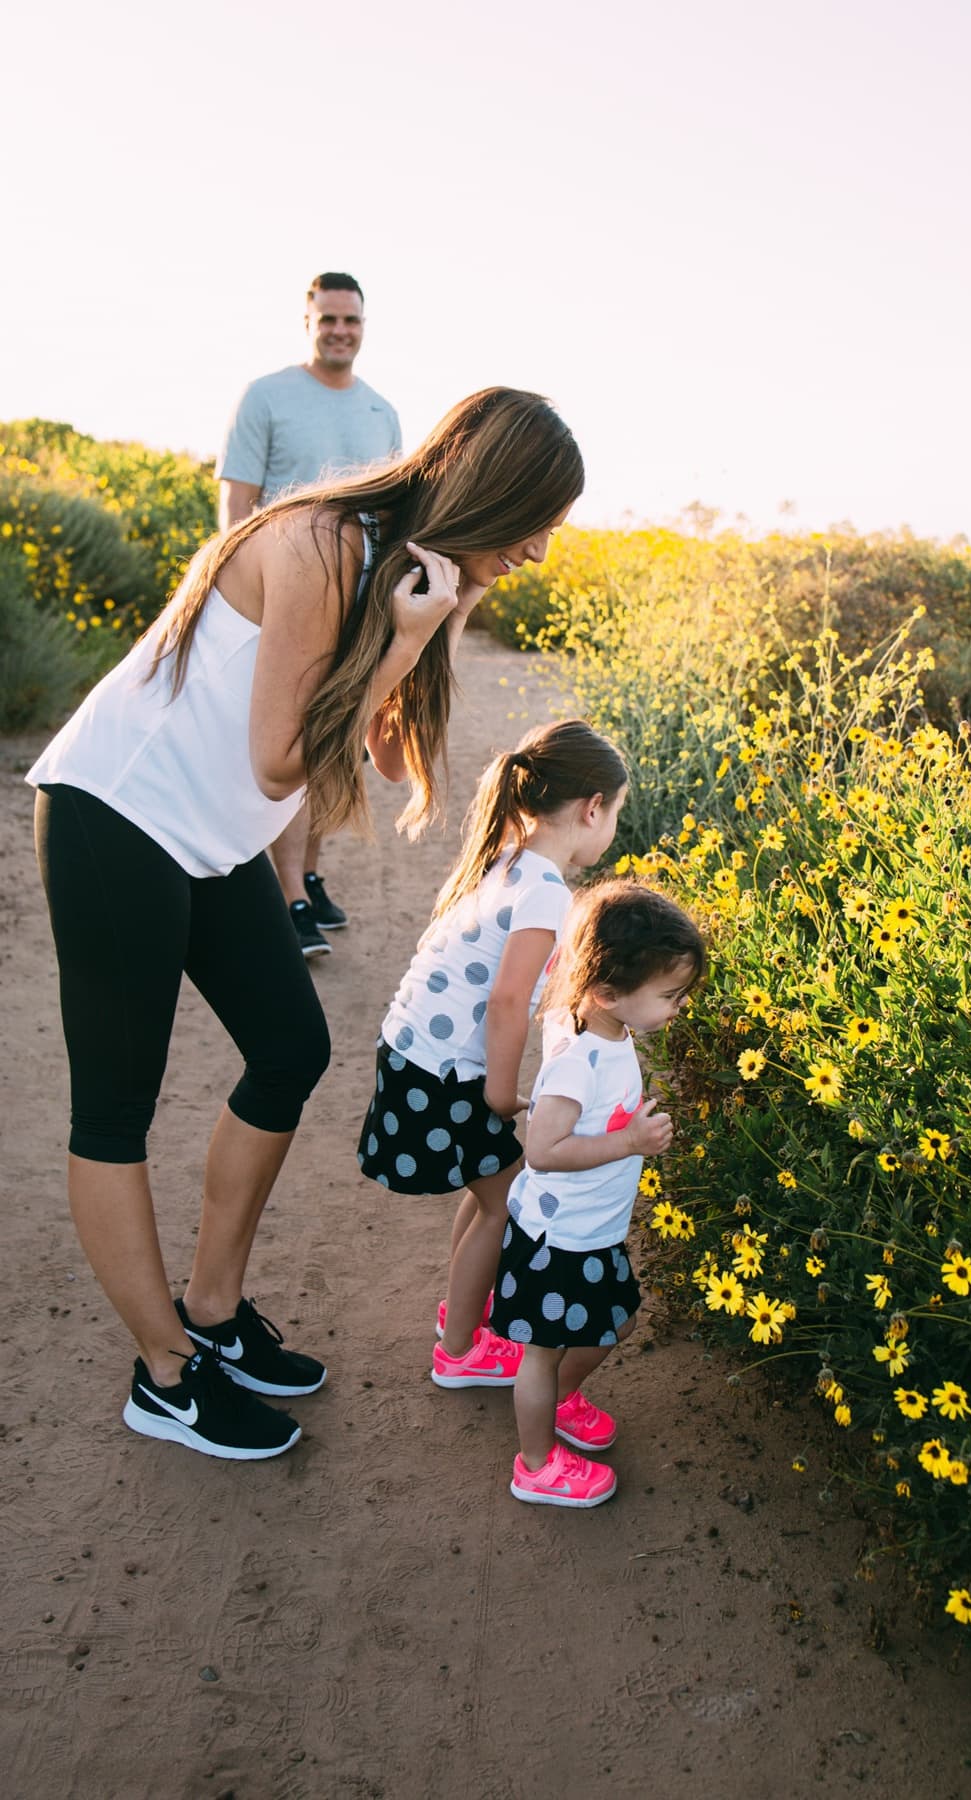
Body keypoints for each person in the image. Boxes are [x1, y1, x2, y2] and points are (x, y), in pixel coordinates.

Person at [28, 387, 583, 1461]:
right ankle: (167, 1375)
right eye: (539, 519)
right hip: (118, 816)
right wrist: (402, 640)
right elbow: (282, 760)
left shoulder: (410, 571)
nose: (545, 549)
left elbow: (380, 754)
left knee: (290, 1045)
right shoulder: (327, 542)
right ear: (492, 483)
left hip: (209, 833)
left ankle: (214, 1309)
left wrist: (433, 626)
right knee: (115, 1111)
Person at [357, 719, 629, 1388]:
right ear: (592, 808)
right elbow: (509, 1001)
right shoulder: (545, 891)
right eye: (617, 813)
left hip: (417, 1055)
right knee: (505, 1199)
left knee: (492, 1191)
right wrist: (504, 1095)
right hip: (446, 1073)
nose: (613, 826)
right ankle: (460, 1350)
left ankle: (464, 1314)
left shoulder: (508, 856)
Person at [489, 881, 706, 1508]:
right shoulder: (577, 1060)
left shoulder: (603, 1026)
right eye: (669, 995)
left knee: (618, 1321)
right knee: (541, 1352)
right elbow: (542, 1151)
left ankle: (559, 1400)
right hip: (558, 1240)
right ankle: (535, 1464)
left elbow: (572, 954)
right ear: (608, 991)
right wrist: (629, 1142)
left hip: (594, 1232)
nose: (679, 1007)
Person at [217, 271, 404, 957]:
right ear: (308, 322)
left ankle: (311, 875)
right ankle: (288, 895)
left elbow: (390, 518)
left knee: (335, 752)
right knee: (287, 747)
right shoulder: (266, 397)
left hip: (356, 609)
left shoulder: (382, 413)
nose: (340, 331)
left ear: (363, 326)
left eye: (350, 320)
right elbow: (235, 510)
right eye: (328, 319)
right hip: (279, 604)